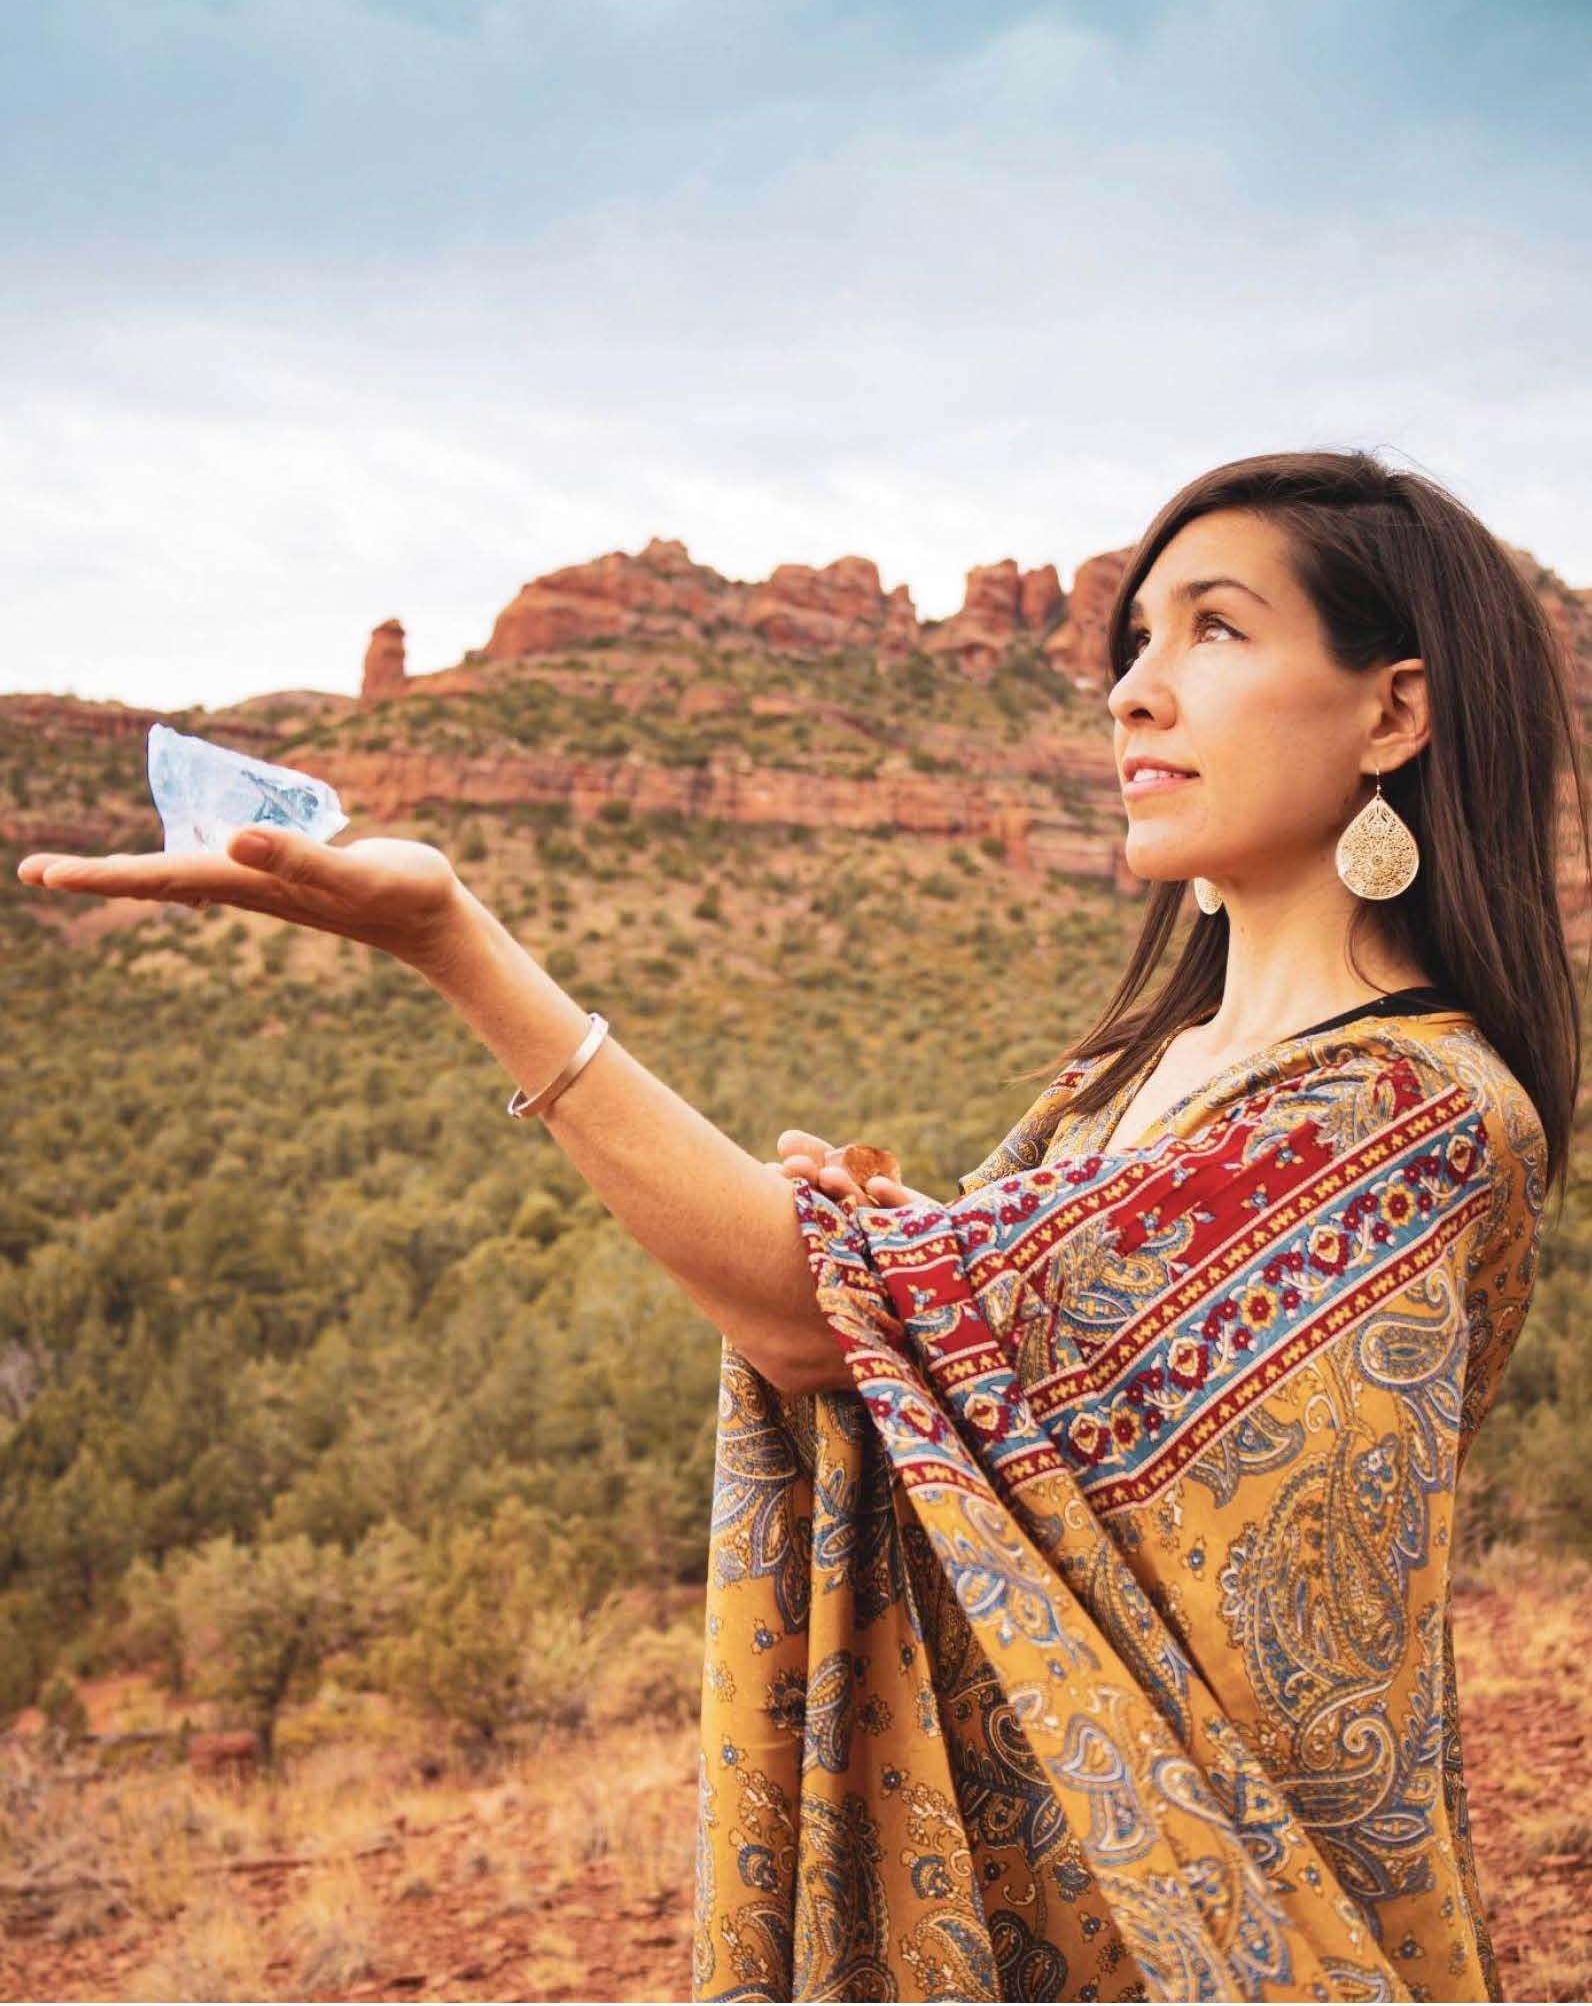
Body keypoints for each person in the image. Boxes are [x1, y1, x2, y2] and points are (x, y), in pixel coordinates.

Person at [17, 448, 1587, 2003]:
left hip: (1231, 1943)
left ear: (1394, 709)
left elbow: (817, 1317)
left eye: (1215, 629)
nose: (1131, 693)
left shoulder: (1408, 1113)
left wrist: (455, 942)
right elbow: (944, 1350)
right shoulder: (1128, 1081)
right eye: (1132, 643)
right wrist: (922, 1278)